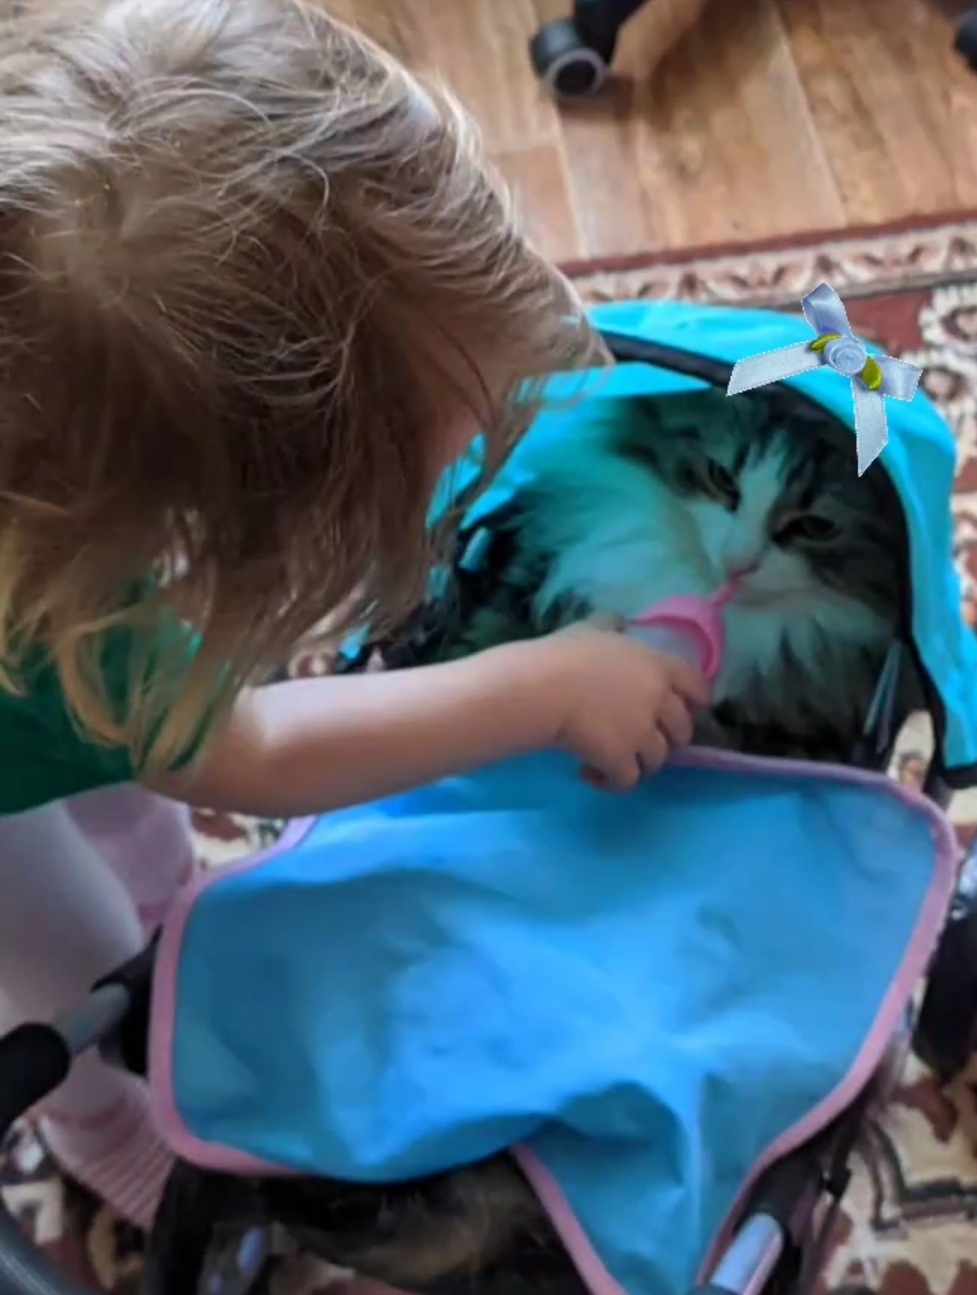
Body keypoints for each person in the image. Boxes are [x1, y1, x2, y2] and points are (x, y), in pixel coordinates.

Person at [0, 0, 707, 1225]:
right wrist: (551, 686)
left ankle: (170, 919)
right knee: (70, 954)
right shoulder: (75, 627)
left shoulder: (50, 403)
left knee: (123, 789)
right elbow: (254, 751)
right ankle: (98, 1109)